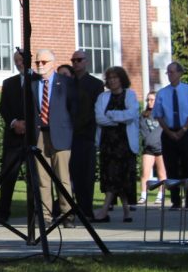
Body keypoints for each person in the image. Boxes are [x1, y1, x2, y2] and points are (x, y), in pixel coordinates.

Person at [32, 49, 75, 224]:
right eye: (37, 63)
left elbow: (74, 109)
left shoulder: (66, 83)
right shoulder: (32, 84)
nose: (40, 66)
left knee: (62, 178)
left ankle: (68, 215)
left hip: (61, 135)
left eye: (43, 62)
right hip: (40, 135)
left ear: (53, 63)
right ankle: (45, 215)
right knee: (42, 179)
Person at [92, 66, 139, 223]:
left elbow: (131, 115)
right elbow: (100, 118)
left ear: (121, 79)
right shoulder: (102, 98)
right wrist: (118, 119)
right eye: (110, 78)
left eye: (115, 78)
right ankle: (126, 211)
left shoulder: (130, 95)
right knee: (111, 176)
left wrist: (112, 115)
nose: (112, 81)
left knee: (122, 177)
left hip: (125, 143)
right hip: (108, 143)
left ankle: (104, 210)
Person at [0, 49, 39, 224]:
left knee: (35, 176)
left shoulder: (39, 80)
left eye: (21, 60)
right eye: (16, 60)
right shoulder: (9, 83)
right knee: (8, 175)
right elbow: (3, 107)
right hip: (14, 137)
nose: (19, 63)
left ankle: (37, 212)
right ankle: (3, 212)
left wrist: (29, 125)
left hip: (34, 137)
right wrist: (15, 123)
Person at [152, 61, 188, 210]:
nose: (170, 75)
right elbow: (158, 115)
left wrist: (184, 129)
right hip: (169, 132)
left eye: (172, 72)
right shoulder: (162, 93)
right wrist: (169, 132)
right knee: (171, 167)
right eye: (168, 72)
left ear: (180, 73)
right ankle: (175, 200)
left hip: (185, 132)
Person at [68, 50, 105, 221]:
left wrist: (82, 126)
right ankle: (73, 207)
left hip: (87, 134)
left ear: (86, 62)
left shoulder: (95, 84)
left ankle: (86, 209)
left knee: (86, 174)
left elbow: (94, 111)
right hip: (70, 135)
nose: (76, 63)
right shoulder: (68, 83)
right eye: (73, 60)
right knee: (72, 173)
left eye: (79, 60)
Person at [138, 91, 166, 206]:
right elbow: (142, 131)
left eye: (152, 100)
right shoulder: (143, 115)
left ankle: (160, 195)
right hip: (148, 148)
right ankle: (143, 195)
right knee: (145, 173)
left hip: (160, 147)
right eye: (148, 100)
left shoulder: (162, 115)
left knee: (161, 173)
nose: (149, 102)